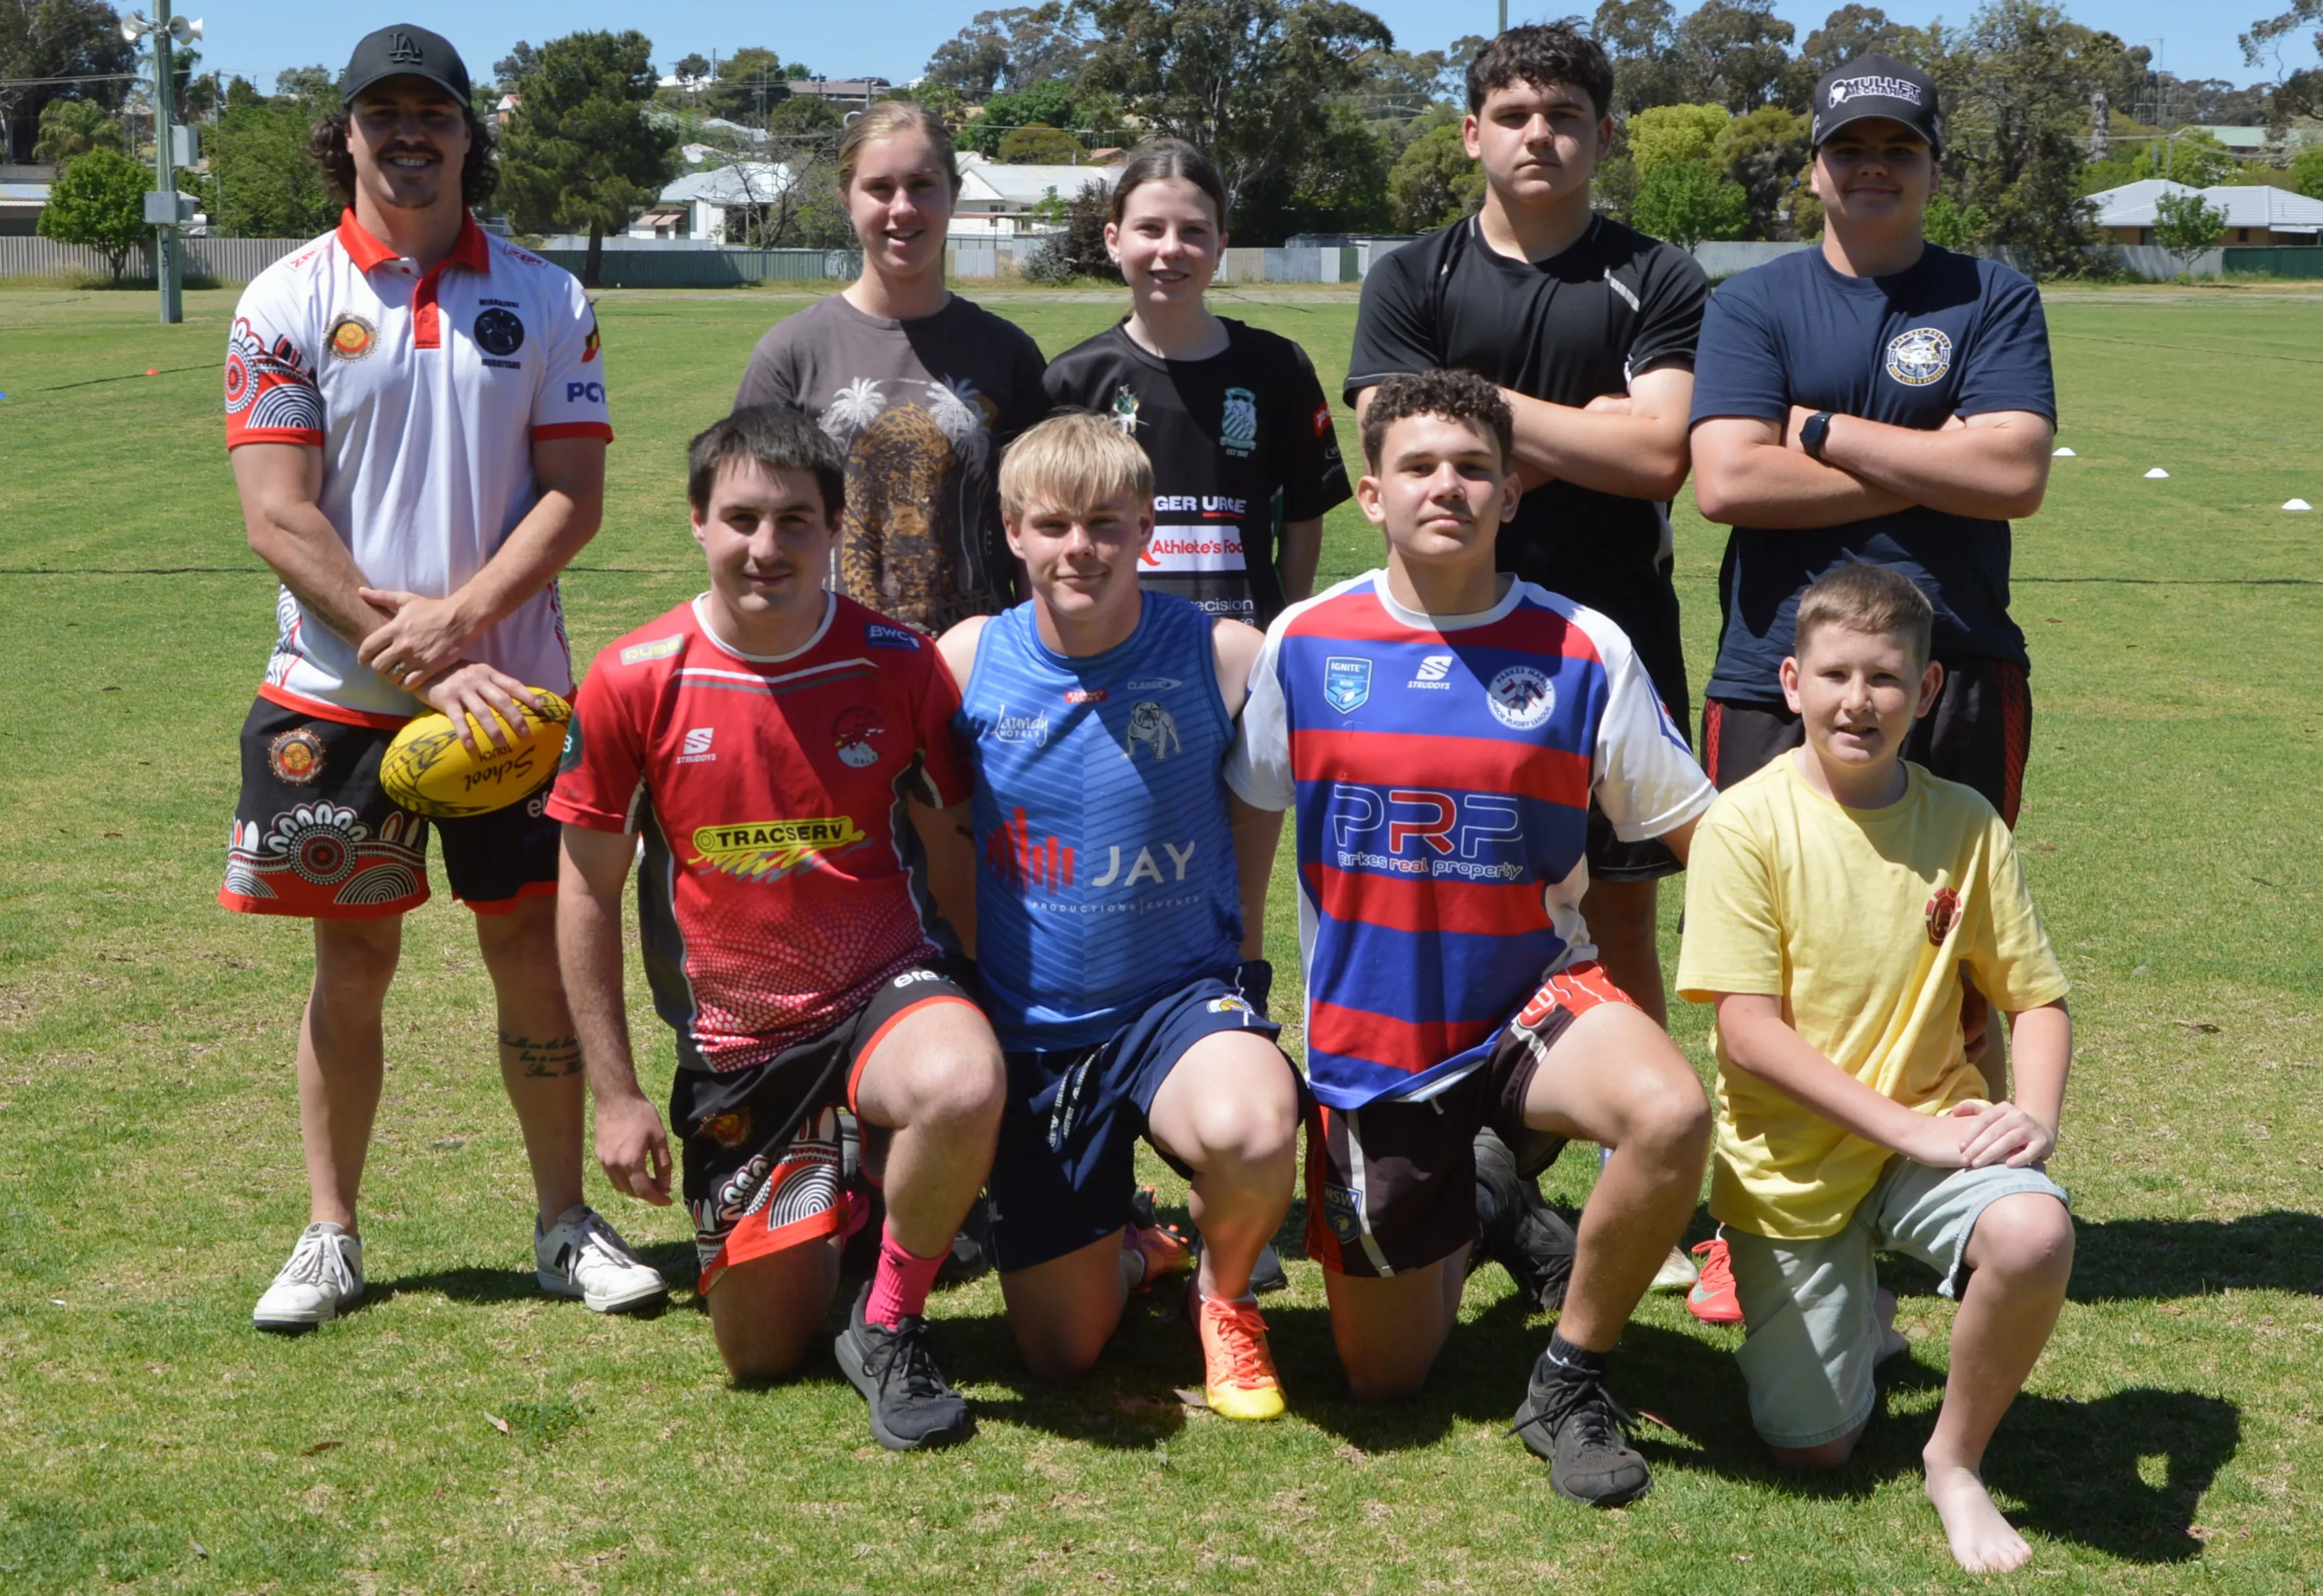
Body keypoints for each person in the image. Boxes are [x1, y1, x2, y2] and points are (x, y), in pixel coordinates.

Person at [222, 24, 663, 1330]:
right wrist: (397, 647)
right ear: (344, 136)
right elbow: (277, 515)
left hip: (513, 708)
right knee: (349, 964)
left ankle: (562, 1224)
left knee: (529, 954)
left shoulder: (543, 296)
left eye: (435, 114)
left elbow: (571, 499)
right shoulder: (284, 298)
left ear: (470, 135)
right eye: (382, 115)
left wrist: (461, 628)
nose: (408, 134)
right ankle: (330, 1232)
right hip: (333, 695)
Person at [1228, 369, 1716, 1506]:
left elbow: (1691, 820)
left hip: (1532, 1003)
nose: (1445, 486)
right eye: (1418, 466)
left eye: (1472, 467)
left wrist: (1802, 946)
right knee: (1381, 1379)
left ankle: (1568, 1375)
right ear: (1369, 493)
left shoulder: (1580, 645)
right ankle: (1490, 1197)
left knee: (1666, 1112)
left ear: (1508, 493)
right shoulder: (1304, 641)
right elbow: (1253, 804)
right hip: (1373, 1047)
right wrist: (1239, 970)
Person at [550, 407, 1006, 1452]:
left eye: (795, 520)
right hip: (741, 1043)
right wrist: (616, 1099)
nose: (766, 547)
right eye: (742, 518)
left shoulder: (896, 661)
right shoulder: (631, 677)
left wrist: (982, 1008)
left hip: (884, 993)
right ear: (698, 523)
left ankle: (890, 1311)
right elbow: (584, 895)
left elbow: (951, 846)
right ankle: (851, 1196)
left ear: (836, 526)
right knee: (763, 1355)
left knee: (961, 1081)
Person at [1675, 562, 2074, 1574]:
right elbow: (1747, 1035)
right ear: (1791, 683)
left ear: (1927, 690)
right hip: (1793, 1170)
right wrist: (1903, 1128)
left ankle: (1953, 1460)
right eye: (1836, 674)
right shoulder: (1741, 824)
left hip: (1927, 1136)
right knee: (1814, 1449)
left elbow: (2034, 1000)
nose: (1859, 700)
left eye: (1886, 678)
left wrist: (2033, 1114)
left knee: (2031, 1229)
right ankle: (1860, 1314)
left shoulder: (1966, 823)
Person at [931, 413, 1299, 1419]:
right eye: (1051, 525)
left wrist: (1247, 956)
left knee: (1254, 1128)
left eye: (1103, 522)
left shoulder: (1226, 656)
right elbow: (930, 824)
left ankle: (1225, 1298)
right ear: (1012, 531)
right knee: (1060, 1353)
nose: (1077, 548)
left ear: (1146, 527)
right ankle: (1137, 1250)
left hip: (1176, 1003)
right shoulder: (967, 660)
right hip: (1034, 1027)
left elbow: (1273, 805)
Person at [1343, 24, 1710, 1032]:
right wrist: (1586, 423)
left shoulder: (1658, 276)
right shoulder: (1413, 276)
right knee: (1451, 904)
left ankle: (1627, 1157)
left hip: (1609, 636)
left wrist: (1466, 421)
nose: (1536, 135)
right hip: (1439, 642)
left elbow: (1656, 457)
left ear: (1602, 135)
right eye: (1512, 116)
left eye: (1563, 118)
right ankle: (1448, 1132)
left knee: (1618, 918)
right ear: (1471, 134)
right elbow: (1393, 442)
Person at [1688, 51, 2055, 868]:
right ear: (1814, 170)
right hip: (1775, 671)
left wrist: (1821, 432)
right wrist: (1940, 465)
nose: (1874, 168)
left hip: (1952, 664)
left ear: (1932, 169)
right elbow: (1729, 481)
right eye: (1851, 149)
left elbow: (2013, 477)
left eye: (1900, 149)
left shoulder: (1994, 296)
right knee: (1767, 949)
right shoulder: (1750, 303)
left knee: (1957, 952)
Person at [735, 102, 1048, 635]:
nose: (902, 208)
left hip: (975, 670)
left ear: (953, 193)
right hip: (829, 666)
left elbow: (1039, 533)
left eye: (922, 185)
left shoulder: (1007, 352)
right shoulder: (791, 353)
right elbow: (748, 532)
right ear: (846, 199)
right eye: (879, 188)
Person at [1041, 139, 1350, 630]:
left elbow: (1302, 520)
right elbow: (1044, 532)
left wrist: (1282, 634)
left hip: (1240, 650)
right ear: (1113, 240)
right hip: (1114, 649)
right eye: (1149, 228)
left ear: (1220, 246)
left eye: (1193, 231)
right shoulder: (1072, 380)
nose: (1170, 249)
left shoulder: (1277, 367)